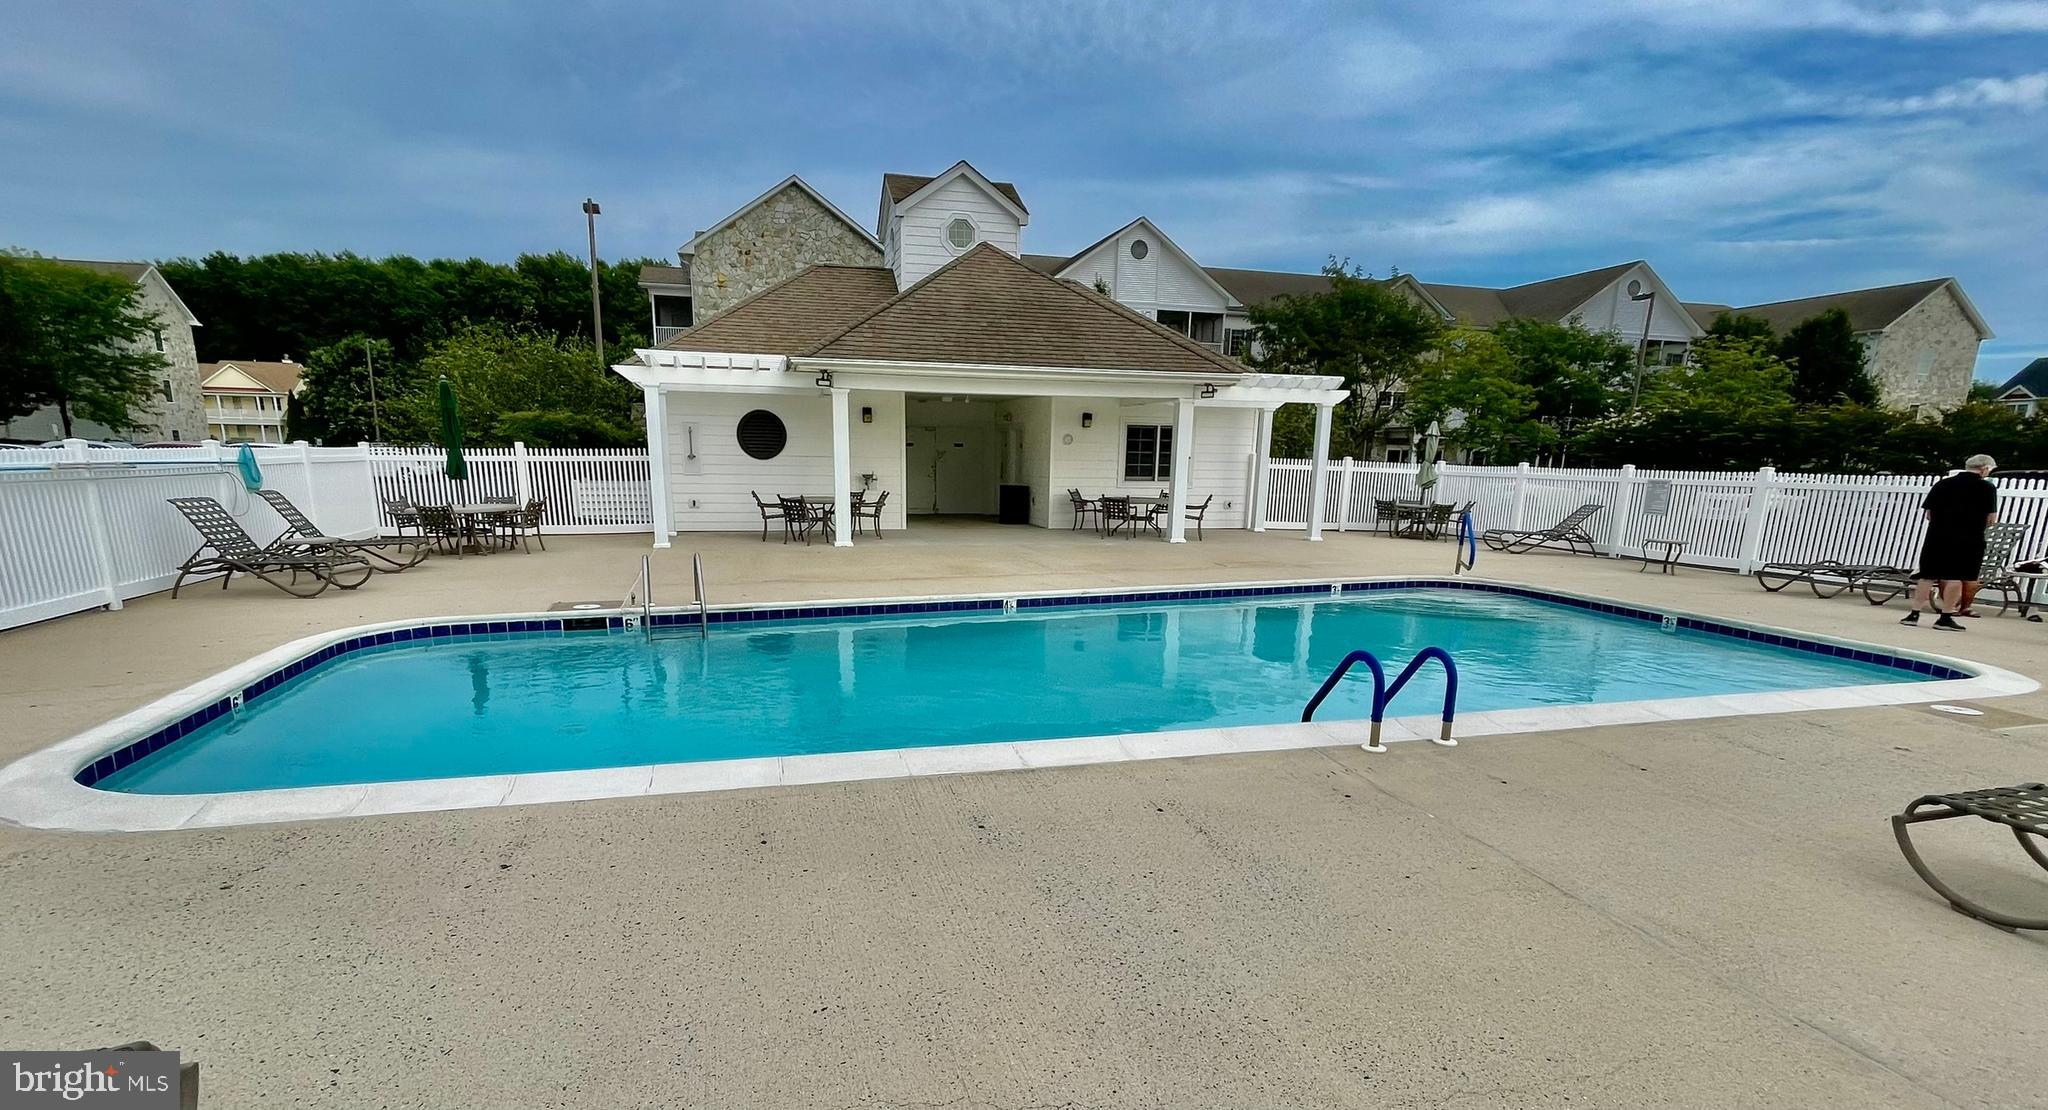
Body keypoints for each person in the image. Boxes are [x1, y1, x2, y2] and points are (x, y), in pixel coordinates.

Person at [1900, 454, 1999, 631]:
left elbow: (1928, 514)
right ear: (1984, 469)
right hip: (1968, 539)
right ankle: (1945, 617)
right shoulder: (1986, 488)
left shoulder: (1943, 484)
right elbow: (1991, 519)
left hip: (1937, 537)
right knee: (1955, 576)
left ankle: (1914, 614)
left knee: (1927, 575)